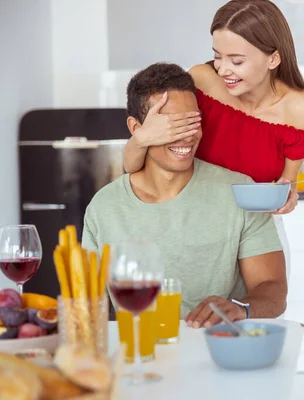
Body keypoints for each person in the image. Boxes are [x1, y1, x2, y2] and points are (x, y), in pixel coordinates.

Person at [121, 0, 304, 275]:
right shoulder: (202, 81)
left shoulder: (299, 108)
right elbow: (133, 166)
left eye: (236, 61)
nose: (223, 69)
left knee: (258, 312)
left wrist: (288, 197)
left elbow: (287, 185)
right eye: (218, 56)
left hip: (254, 238)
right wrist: (143, 137)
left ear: (273, 58)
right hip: (189, 225)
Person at [82, 62, 287, 328]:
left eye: (193, 122)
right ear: (136, 129)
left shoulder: (239, 192)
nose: (187, 136)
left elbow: (272, 287)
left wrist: (241, 308)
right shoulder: (104, 207)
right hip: (140, 357)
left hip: (217, 352)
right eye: (173, 125)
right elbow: (86, 303)